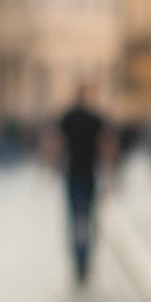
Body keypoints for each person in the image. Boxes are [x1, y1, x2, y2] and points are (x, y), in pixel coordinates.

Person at [53, 82, 115, 284]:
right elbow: (105, 147)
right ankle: (83, 259)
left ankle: (80, 260)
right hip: (85, 174)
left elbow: (57, 143)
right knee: (86, 219)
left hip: (76, 174)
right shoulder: (92, 118)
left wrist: (53, 164)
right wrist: (108, 173)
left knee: (77, 219)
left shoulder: (69, 117)